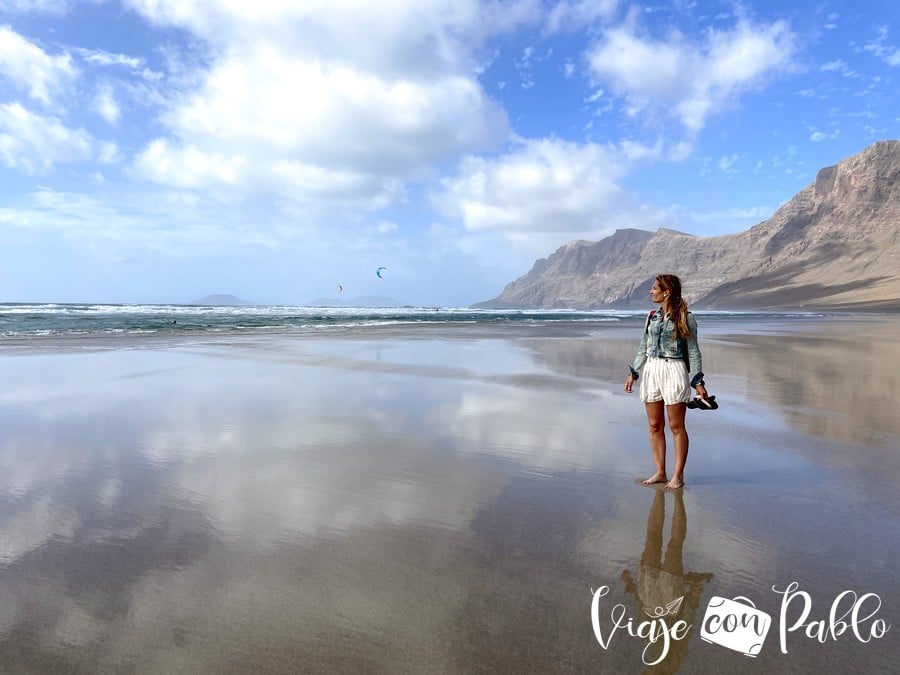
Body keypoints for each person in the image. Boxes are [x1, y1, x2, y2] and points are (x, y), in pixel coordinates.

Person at [624, 274, 707, 490]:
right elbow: (643, 346)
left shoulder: (686, 317)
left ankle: (677, 475)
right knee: (654, 425)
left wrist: (697, 381)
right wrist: (634, 373)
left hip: (674, 369)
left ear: (666, 292)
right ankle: (660, 472)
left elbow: (693, 351)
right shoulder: (651, 316)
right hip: (652, 368)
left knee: (676, 426)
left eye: (654, 288)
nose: (651, 292)